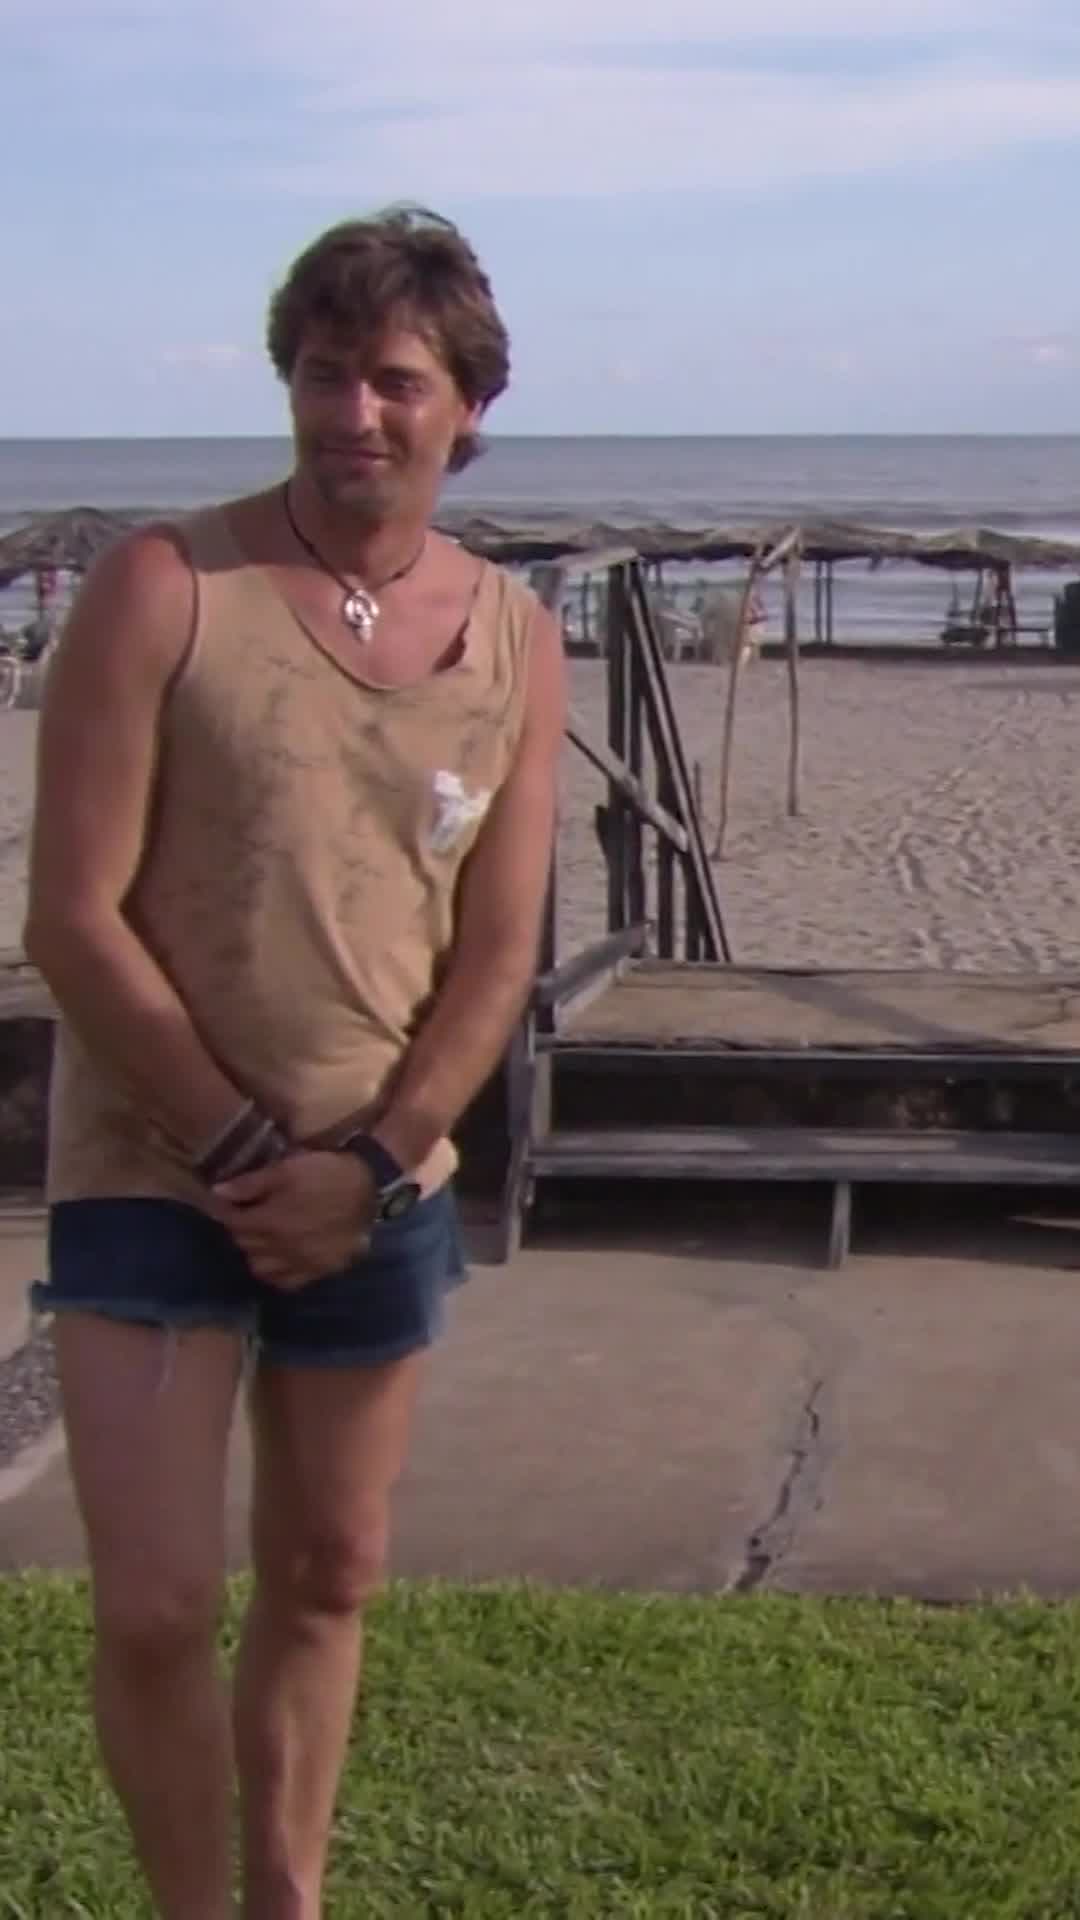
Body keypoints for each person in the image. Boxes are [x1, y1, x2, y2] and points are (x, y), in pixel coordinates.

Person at [23, 204, 566, 1919]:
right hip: (156, 1167)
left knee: (331, 1572)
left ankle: (288, 1895)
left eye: (395, 381)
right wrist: (248, 1154)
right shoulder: (165, 587)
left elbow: (496, 954)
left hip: (375, 1185)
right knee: (155, 1604)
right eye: (325, 375)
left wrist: (376, 1165)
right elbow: (70, 918)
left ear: (467, 406)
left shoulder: (516, 637)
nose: (356, 415)